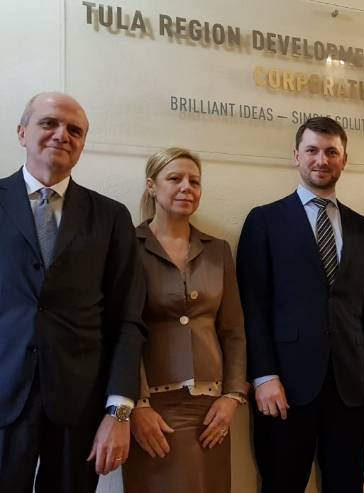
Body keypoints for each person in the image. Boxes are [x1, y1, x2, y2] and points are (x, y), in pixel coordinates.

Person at [236, 116, 364, 493]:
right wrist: (263, 375)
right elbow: (252, 305)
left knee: (347, 484)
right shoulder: (265, 221)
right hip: (284, 387)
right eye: (312, 150)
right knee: (282, 485)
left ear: (344, 159)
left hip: (351, 386)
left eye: (331, 152)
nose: (321, 160)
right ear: (297, 156)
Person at [0, 92, 146, 492]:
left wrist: (119, 412)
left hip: (79, 404)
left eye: (75, 130)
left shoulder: (111, 216)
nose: (62, 134)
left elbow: (127, 319)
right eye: (49, 123)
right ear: (22, 132)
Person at [121, 148, 247, 493]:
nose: (186, 187)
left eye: (194, 181)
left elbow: (233, 330)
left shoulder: (218, 249)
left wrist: (233, 396)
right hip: (151, 409)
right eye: (175, 178)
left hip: (211, 410)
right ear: (151, 186)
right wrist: (134, 408)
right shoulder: (128, 245)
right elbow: (120, 333)